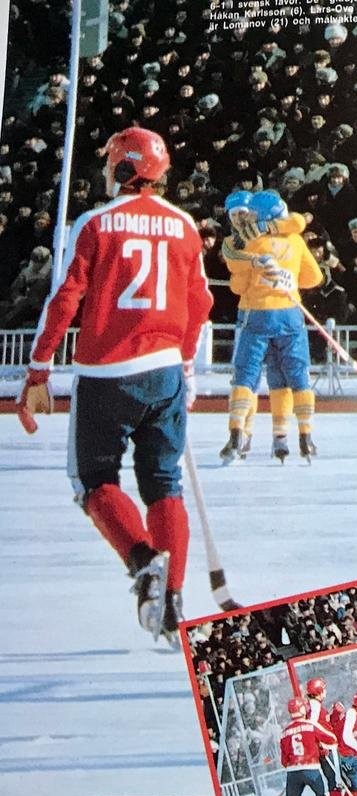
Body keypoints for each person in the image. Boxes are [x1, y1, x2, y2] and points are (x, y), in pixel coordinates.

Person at [17, 127, 213, 646]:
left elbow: (65, 301)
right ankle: (171, 602)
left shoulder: (95, 223)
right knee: (164, 484)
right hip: (167, 371)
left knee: (94, 480)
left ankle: (143, 561)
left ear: (123, 167)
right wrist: (187, 367)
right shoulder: (185, 225)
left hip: (107, 375)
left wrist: (39, 368)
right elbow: (201, 305)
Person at [219, 188, 323, 463]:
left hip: (256, 314)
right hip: (290, 315)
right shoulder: (295, 240)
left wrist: (247, 279)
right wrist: (289, 278)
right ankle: (301, 436)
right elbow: (314, 277)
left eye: (249, 213)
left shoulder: (248, 243)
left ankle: (238, 433)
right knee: (293, 375)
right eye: (239, 214)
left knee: (246, 374)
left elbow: (238, 283)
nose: (245, 218)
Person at [277, 696, 336, 796]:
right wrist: (318, 748)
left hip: (293, 772)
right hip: (311, 769)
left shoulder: (284, 732)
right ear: (302, 709)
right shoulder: (310, 725)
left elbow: (284, 761)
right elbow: (331, 739)